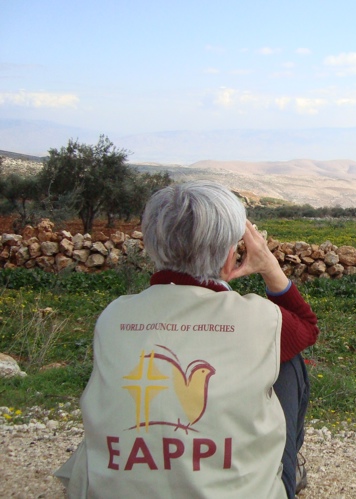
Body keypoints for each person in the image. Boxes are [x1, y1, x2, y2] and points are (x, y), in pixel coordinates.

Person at [55, 181, 319, 498]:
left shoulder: (114, 317)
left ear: (151, 245)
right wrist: (269, 265)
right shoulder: (264, 320)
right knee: (288, 360)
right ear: (230, 256)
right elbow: (307, 326)